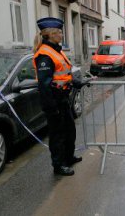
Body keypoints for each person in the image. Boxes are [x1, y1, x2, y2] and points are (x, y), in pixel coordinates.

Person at [32, 17, 82, 176]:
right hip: (54, 101)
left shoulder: (56, 50)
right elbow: (44, 85)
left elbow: (62, 74)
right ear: (51, 34)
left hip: (63, 99)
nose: (61, 34)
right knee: (57, 135)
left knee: (69, 131)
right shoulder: (45, 55)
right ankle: (58, 165)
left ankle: (68, 157)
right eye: (59, 32)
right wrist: (51, 108)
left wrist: (75, 82)